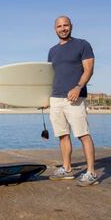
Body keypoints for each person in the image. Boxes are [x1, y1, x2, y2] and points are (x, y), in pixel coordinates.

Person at [47, 16, 98, 186]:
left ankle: (91, 172)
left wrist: (78, 87)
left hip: (75, 97)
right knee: (62, 135)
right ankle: (67, 169)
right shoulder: (52, 51)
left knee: (83, 134)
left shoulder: (82, 45)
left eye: (65, 25)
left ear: (71, 26)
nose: (63, 28)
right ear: (55, 29)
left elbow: (89, 69)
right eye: (59, 26)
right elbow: (48, 77)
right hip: (56, 98)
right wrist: (45, 98)